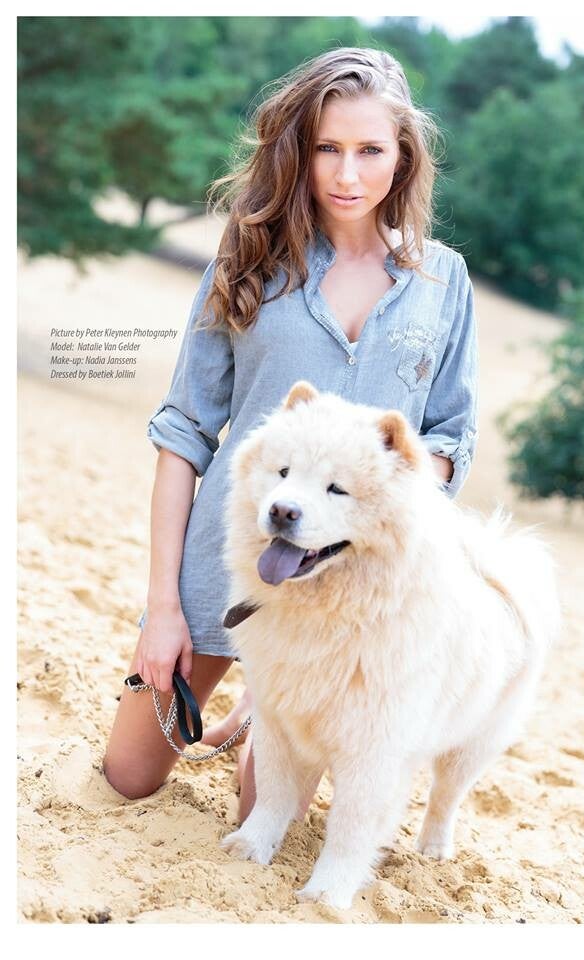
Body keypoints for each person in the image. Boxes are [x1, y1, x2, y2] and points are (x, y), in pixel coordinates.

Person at [103, 47, 479, 824]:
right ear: (297, 151)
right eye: (326, 148)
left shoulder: (443, 282)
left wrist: (384, 501)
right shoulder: (249, 257)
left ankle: (259, 709)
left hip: (345, 608)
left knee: (259, 813)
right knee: (129, 774)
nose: (346, 173)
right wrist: (163, 609)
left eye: (369, 150)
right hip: (226, 564)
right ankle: (231, 695)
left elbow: (447, 437)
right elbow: (183, 433)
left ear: (403, 156)